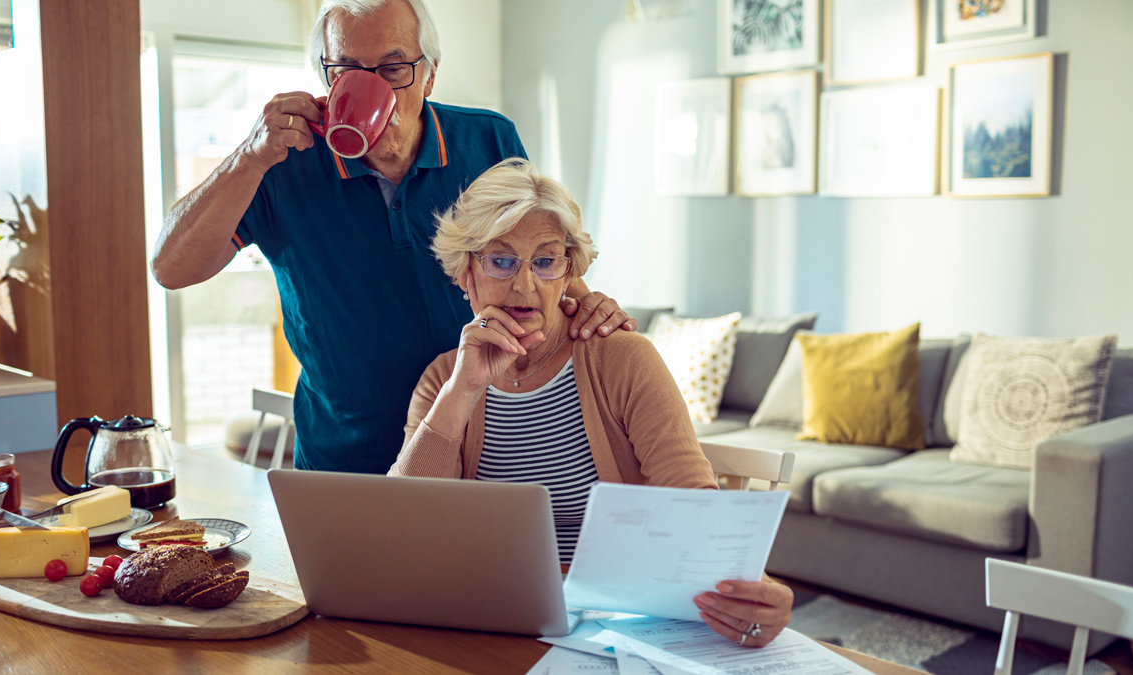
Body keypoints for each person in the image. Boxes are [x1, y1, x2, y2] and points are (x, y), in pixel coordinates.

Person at [149, 0, 633, 474]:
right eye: (347, 69)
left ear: (430, 74)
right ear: (325, 77)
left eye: (394, 68)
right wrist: (249, 157)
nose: (372, 87)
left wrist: (585, 302)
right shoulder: (281, 160)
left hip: (480, 452)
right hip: (343, 465)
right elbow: (170, 268)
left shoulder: (487, 141)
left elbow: (536, 253)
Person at [389, 158, 794, 648]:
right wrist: (464, 389)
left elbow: (690, 499)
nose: (525, 285)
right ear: (465, 273)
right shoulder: (443, 380)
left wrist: (754, 592)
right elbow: (403, 530)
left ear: (568, 273)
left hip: (615, 624)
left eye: (545, 262)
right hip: (491, 620)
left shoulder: (621, 358)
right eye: (501, 260)